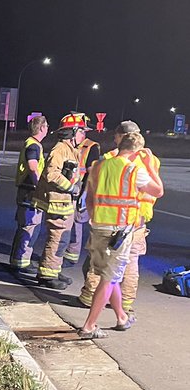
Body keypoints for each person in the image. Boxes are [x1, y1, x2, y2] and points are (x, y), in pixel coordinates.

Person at [77, 130, 163, 338]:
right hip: (119, 232)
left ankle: (121, 317)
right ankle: (89, 326)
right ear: (136, 151)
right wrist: (150, 165)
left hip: (98, 227)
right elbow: (158, 191)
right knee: (108, 278)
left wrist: (95, 217)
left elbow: (89, 198)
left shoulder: (99, 165)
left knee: (110, 275)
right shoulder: (134, 170)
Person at [32, 113, 85, 289]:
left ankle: (54, 269)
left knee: (63, 238)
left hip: (65, 202)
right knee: (57, 237)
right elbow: (52, 174)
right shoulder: (60, 149)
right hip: (58, 202)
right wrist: (71, 188)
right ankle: (47, 275)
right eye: (81, 131)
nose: (83, 135)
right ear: (73, 132)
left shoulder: (71, 150)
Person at [9, 113, 48, 272]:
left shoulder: (30, 143)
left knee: (25, 227)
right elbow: (32, 167)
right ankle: (22, 262)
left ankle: (17, 260)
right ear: (41, 128)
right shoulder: (34, 145)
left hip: (25, 192)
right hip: (29, 193)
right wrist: (40, 187)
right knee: (29, 227)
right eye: (46, 126)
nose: (48, 129)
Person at [63, 118, 101, 266]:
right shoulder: (72, 146)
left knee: (76, 224)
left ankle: (71, 256)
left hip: (81, 190)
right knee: (68, 223)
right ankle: (65, 253)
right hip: (70, 189)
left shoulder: (91, 147)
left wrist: (85, 194)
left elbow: (92, 173)